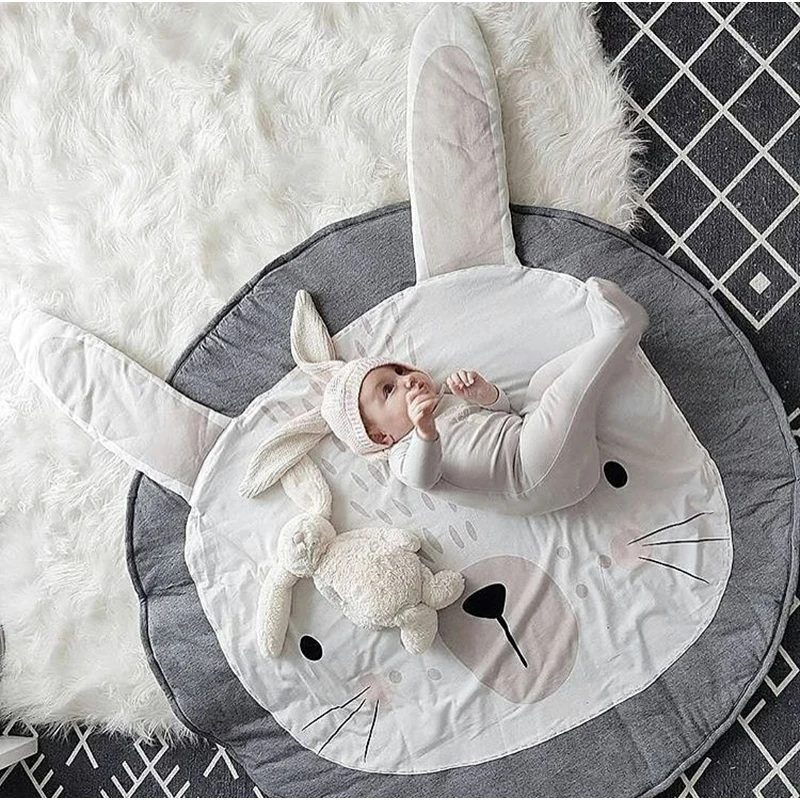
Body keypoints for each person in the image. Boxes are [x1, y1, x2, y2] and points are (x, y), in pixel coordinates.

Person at [355, 277, 648, 515]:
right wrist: (424, 431)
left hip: (528, 432)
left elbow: (505, 413)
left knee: (543, 380)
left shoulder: (447, 397)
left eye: (400, 371)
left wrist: (485, 394)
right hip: (532, 475)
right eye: (389, 389)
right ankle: (623, 330)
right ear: (381, 436)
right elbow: (423, 477)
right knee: (563, 396)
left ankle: (605, 344)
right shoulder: (403, 455)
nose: (406, 380)